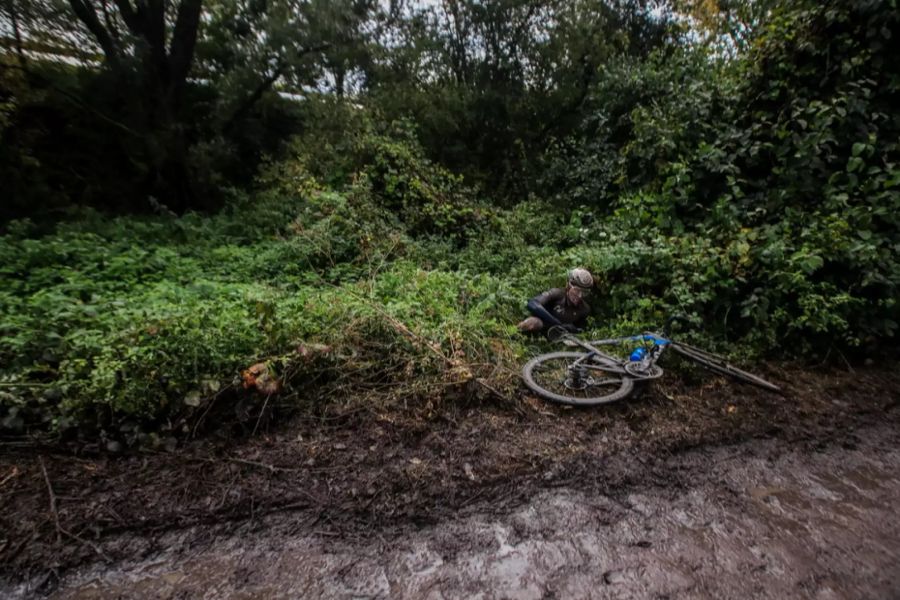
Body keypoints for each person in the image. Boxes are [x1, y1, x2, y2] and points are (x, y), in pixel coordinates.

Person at [517, 268, 594, 334]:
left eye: (584, 292)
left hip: (559, 336)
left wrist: (573, 330)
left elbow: (582, 331)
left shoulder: (584, 309)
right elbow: (532, 303)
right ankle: (512, 334)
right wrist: (557, 323)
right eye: (577, 290)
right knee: (532, 323)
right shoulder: (557, 293)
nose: (580, 296)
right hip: (543, 325)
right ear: (569, 286)